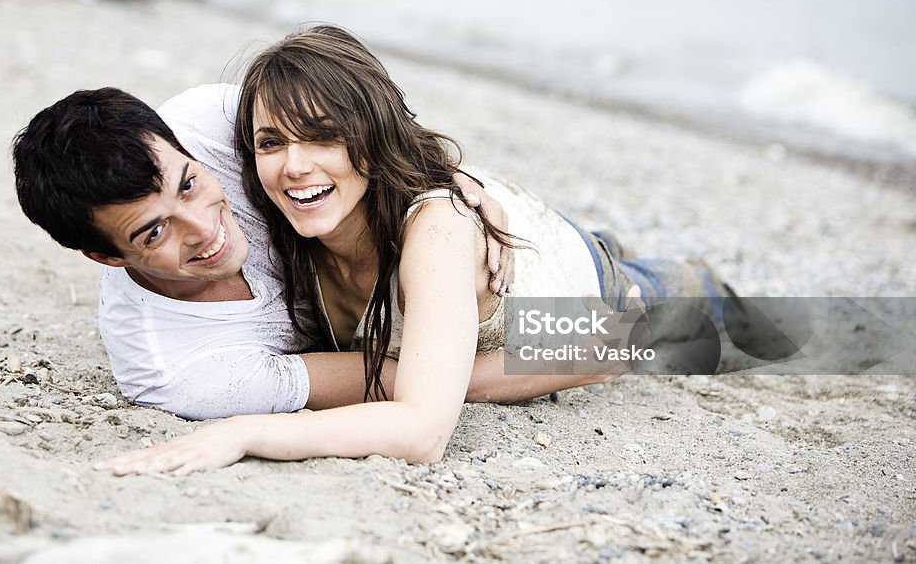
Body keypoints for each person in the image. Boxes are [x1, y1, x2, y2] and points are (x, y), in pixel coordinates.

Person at [97, 25, 731, 475]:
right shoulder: (274, 210)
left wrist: (244, 433)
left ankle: (669, 275)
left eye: (321, 136)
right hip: (488, 271)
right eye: (270, 143)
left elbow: (423, 431)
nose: (293, 165)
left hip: (586, 298)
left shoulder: (433, 233)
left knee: (728, 325)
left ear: (368, 139)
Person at [11, 85, 611, 422]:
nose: (203, 229)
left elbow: (359, 123)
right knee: (678, 326)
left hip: (530, 252)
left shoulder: (205, 123)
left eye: (189, 184)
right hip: (498, 315)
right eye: (153, 233)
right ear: (105, 257)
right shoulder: (182, 370)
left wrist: (451, 177)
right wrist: (583, 351)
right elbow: (404, 382)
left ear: (184, 149)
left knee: (674, 312)